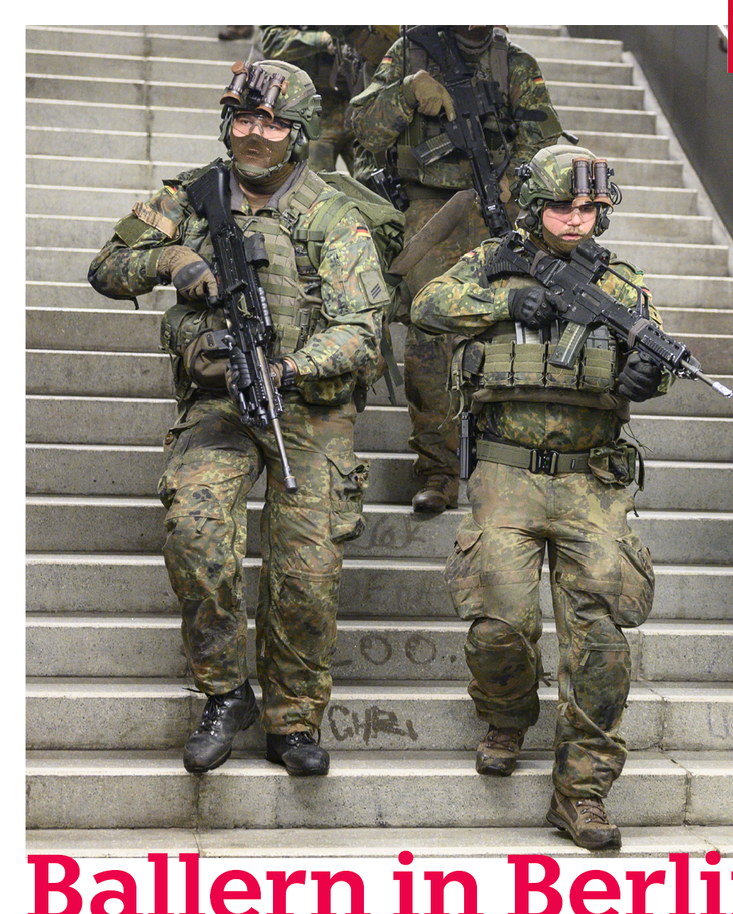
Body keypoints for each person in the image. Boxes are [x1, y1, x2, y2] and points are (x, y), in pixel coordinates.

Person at [88, 60, 390, 778]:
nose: (256, 134)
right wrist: (174, 258)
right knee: (194, 530)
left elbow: (360, 329)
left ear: (300, 133)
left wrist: (288, 368)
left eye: (274, 123)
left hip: (309, 410)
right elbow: (106, 267)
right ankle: (225, 692)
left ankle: (293, 720)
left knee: (305, 573)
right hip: (219, 403)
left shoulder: (331, 215)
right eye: (246, 119)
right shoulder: (190, 194)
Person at [410, 144, 671, 850]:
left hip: (593, 475)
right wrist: (506, 300)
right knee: (497, 619)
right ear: (534, 206)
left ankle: (582, 793)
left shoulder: (620, 280)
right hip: (504, 471)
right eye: (563, 206)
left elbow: (652, 360)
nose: (577, 220)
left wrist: (648, 378)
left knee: (600, 643)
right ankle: (506, 712)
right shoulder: (494, 259)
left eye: (590, 208)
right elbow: (426, 305)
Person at [350, 26, 563, 514]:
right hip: (430, 211)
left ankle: (506, 463)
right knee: (431, 334)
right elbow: (363, 126)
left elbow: (546, 146)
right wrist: (406, 93)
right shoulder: (410, 50)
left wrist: (515, 181)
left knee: (513, 332)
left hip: (500, 211)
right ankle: (438, 469)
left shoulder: (516, 65)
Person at [251, 26, 397, 179]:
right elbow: (272, 42)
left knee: (375, 184)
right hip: (310, 112)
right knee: (313, 188)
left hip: (356, 105)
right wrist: (323, 39)